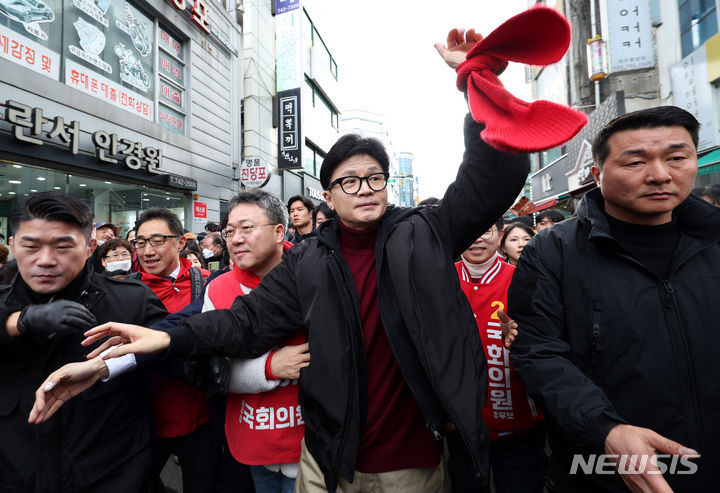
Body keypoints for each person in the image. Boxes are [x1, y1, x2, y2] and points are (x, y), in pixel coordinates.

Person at [37, 28, 532, 493]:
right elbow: (243, 323)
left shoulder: (425, 232)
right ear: (328, 195)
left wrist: (476, 83)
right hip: (326, 458)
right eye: (349, 181)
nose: (364, 189)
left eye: (374, 178)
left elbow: (492, 178)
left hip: (413, 460)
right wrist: (164, 337)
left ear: (388, 183)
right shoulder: (310, 259)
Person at [506, 106, 717, 492]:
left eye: (676, 158)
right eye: (635, 162)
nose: (660, 174)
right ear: (596, 175)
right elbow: (538, 353)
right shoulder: (553, 252)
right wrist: (605, 429)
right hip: (604, 469)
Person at [1, 191, 167, 492]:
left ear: (91, 246)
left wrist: (117, 360)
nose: (46, 260)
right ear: (13, 245)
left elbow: (174, 353)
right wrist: (18, 322)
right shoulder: (4, 308)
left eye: (63, 247)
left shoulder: (132, 302)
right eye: (31, 246)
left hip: (113, 478)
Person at [204, 189, 308, 493]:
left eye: (247, 228)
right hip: (252, 442)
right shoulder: (217, 288)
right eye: (229, 231)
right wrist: (270, 368)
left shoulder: (316, 273)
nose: (235, 239)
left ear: (279, 231)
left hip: (313, 446)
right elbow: (213, 370)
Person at [448, 218, 544, 493]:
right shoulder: (441, 280)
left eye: (486, 231)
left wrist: (524, 338)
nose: (477, 239)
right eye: (469, 231)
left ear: (499, 235)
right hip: (462, 428)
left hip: (520, 428)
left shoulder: (523, 279)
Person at [130, 208, 219, 493]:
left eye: (157, 240)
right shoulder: (123, 292)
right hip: (143, 422)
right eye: (140, 242)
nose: (148, 250)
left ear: (180, 243)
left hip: (202, 417)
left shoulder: (208, 283)